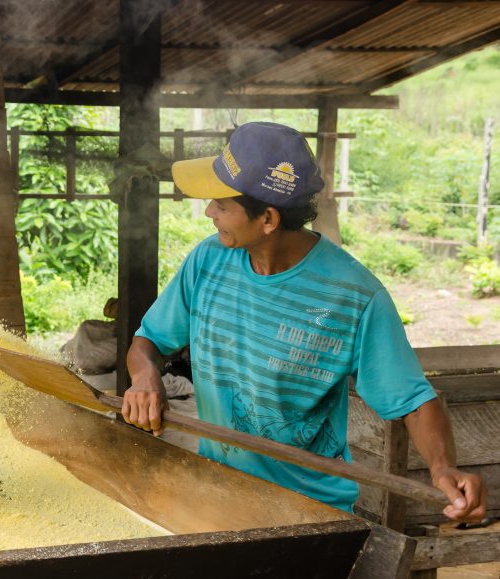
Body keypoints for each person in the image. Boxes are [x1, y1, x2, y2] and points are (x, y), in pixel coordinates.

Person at [120, 122, 486, 524]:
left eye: (222, 205)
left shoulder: (354, 295)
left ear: (268, 220)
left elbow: (413, 401)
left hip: (309, 512)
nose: (209, 211)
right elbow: (147, 342)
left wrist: (442, 468)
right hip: (217, 489)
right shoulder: (208, 261)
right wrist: (144, 380)